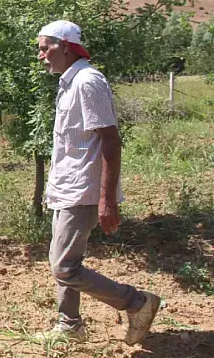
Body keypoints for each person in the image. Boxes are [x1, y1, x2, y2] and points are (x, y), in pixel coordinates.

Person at [35, 20, 160, 345]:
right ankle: (70, 324)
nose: (40, 55)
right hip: (66, 188)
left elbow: (110, 140)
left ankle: (137, 303)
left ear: (64, 45)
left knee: (64, 267)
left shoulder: (88, 82)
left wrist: (107, 200)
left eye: (44, 47)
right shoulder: (68, 84)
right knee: (62, 260)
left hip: (83, 191)